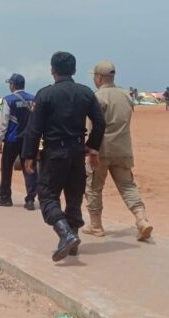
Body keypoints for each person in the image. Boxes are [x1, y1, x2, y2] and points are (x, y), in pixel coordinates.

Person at [22, 52, 106, 262]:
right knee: (74, 196)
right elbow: (100, 122)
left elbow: (34, 129)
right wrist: (91, 145)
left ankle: (65, 233)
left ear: (52, 70)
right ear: (74, 70)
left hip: (54, 153)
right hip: (77, 152)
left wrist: (28, 155)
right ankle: (73, 238)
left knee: (48, 195)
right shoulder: (86, 92)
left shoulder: (45, 95)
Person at [83, 61, 153, 241]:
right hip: (123, 149)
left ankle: (96, 225)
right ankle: (141, 218)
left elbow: (93, 128)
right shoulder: (126, 95)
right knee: (128, 185)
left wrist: (92, 151)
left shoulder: (97, 97)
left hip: (102, 149)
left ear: (98, 77)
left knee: (93, 187)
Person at [0, 74, 38, 210]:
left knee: (6, 168)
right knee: (29, 168)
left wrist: (0, 139)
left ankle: (5, 197)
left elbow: (4, 122)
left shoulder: (8, 100)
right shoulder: (33, 99)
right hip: (29, 140)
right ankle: (30, 199)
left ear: (13, 85)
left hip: (12, 139)